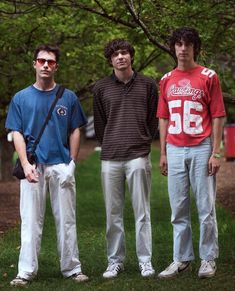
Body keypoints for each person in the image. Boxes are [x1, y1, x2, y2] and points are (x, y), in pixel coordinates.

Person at [5, 44, 88, 286]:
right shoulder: (20, 98)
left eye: (50, 62)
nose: (45, 65)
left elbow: (75, 129)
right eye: (41, 61)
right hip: (33, 167)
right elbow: (16, 133)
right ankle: (25, 271)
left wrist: (71, 162)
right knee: (30, 220)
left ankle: (72, 268)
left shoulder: (68, 97)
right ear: (34, 64)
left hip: (60, 165)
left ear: (56, 66)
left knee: (67, 220)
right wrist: (25, 164)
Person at [157, 27, 226, 279]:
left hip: (201, 147)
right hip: (174, 148)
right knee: (178, 208)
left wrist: (216, 152)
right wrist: (163, 152)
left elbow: (218, 115)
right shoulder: (166, 79)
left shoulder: (209, 76)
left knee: (205, 206)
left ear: (194, 47)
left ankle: (208, 258)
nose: (183, 48)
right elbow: (163, 118)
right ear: (173, 47)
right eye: (179, 44)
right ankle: (182, 258)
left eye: (188, 44)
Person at [93, 39, 158, 279]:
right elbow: (99, 125)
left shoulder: (148, 85)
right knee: (113, 213)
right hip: (110, 157)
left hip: (138, 156)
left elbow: (153, 119)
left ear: (131, 56)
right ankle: (115, 262)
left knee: (142, 212)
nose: (120, 57)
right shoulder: (100, 88)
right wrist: (110, 142)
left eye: (124, 53)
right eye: (115, 54)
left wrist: (143, 140)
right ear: (110, 60)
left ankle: (145, 261)